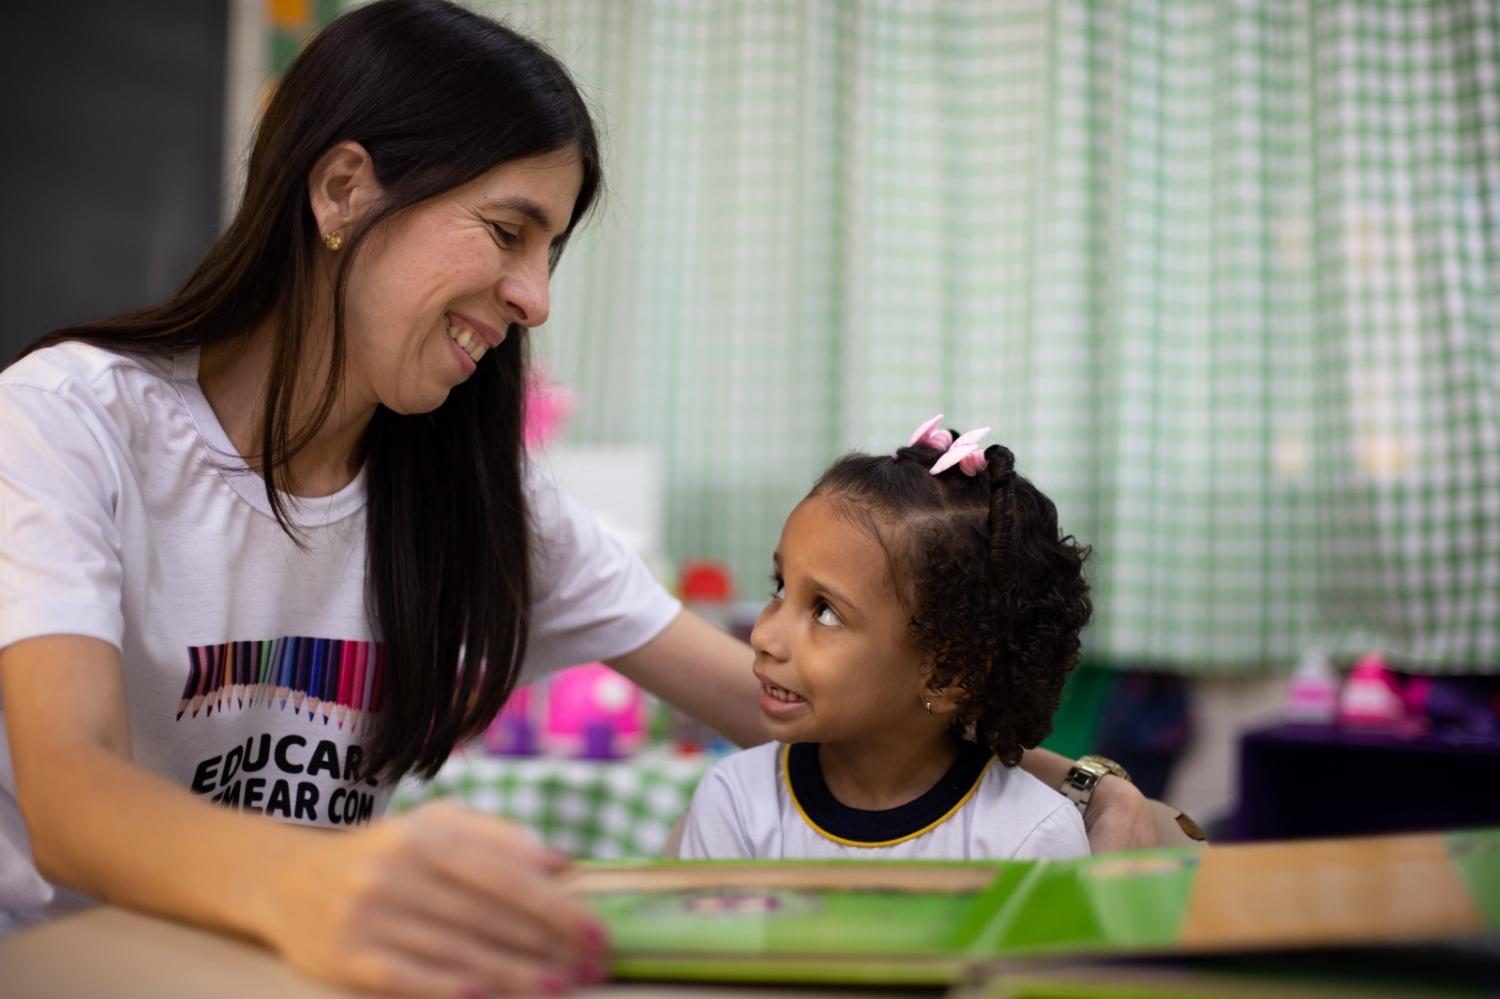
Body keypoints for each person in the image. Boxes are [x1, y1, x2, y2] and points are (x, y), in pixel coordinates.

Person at [0, 2, 1160, 995]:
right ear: (344, 190)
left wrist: (1086, 788)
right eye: (508, 233)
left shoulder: (477, 496)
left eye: (550, 248)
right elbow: (74, 796)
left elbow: (781, 699)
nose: (535, 297)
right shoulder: (69, 421)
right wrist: (323, 874)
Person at [678, 418, 1093, 861]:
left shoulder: (1031, 836)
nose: (763, 634)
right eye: (780, 586)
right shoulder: (736, 802)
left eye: (825, 611)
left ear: (949, 674)